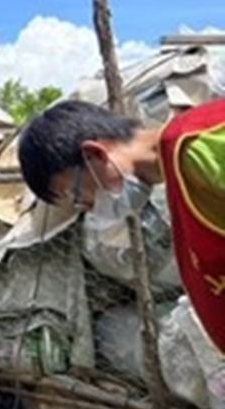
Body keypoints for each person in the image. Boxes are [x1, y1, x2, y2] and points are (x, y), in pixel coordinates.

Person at [19, 99, 225, 358]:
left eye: (76, 194)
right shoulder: (178, 173)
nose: (87, 207)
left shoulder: (200, 147)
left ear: (95, 154)